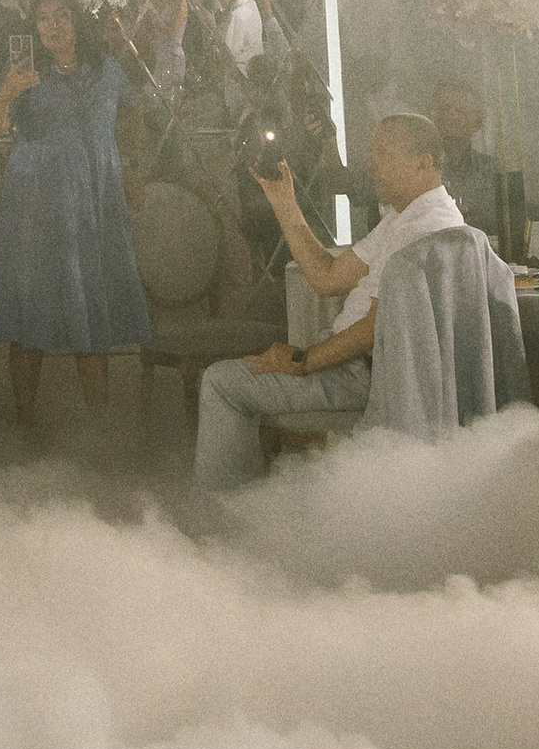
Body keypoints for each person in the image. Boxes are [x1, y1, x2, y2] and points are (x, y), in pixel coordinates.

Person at [192, 109, 460, 488]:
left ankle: (221, 521)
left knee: (221, 382)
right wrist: (284, 202)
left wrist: (303, 360)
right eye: (370, 153)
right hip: (351, 365)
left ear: (424, 162)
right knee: (237, 376)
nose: (370, 164)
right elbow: (327, 278)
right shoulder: (408, 219)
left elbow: (374, 329)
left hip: (362, 373)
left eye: (382, 154)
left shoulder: (423, 228)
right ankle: (257, 512)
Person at [0, 0, 150, 436]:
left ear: (76, 19)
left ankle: (99, 427)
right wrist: (8, 91)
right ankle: (24, 424)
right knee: (31, 298)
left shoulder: (106, 68)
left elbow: (133, 114)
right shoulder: (25, 72)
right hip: (35, 198)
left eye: (61, 15)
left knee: (88, 299)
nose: (54, 25)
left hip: (93, 196)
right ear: (34, 29)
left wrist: (127, 162)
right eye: (43, 18)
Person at [429, 79, 505, 242]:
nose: (450, 117)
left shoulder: (493, 171)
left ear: (477, 122)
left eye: (460, 111)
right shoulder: (416, 169)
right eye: (444, 110)